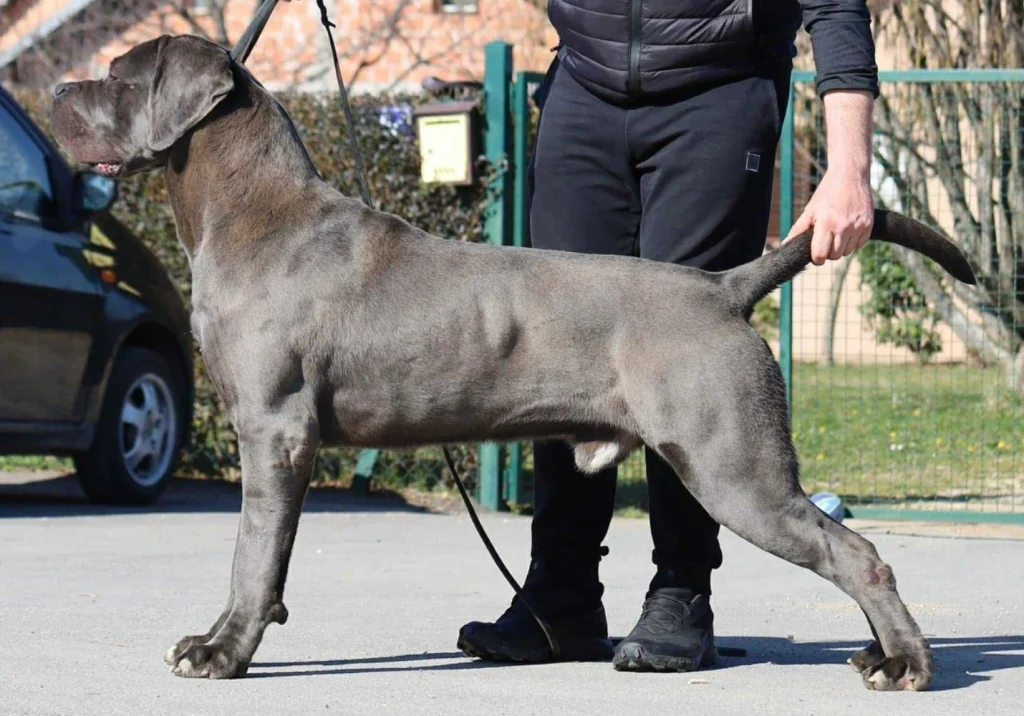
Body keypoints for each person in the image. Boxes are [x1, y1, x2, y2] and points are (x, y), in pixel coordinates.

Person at [457, 0, 879, 672]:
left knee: (680, 352)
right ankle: (560, 596)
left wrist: (850, 165)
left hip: (718, 93)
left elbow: (835, 8)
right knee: (558, 350)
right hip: (583, 88)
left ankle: (682, 590)